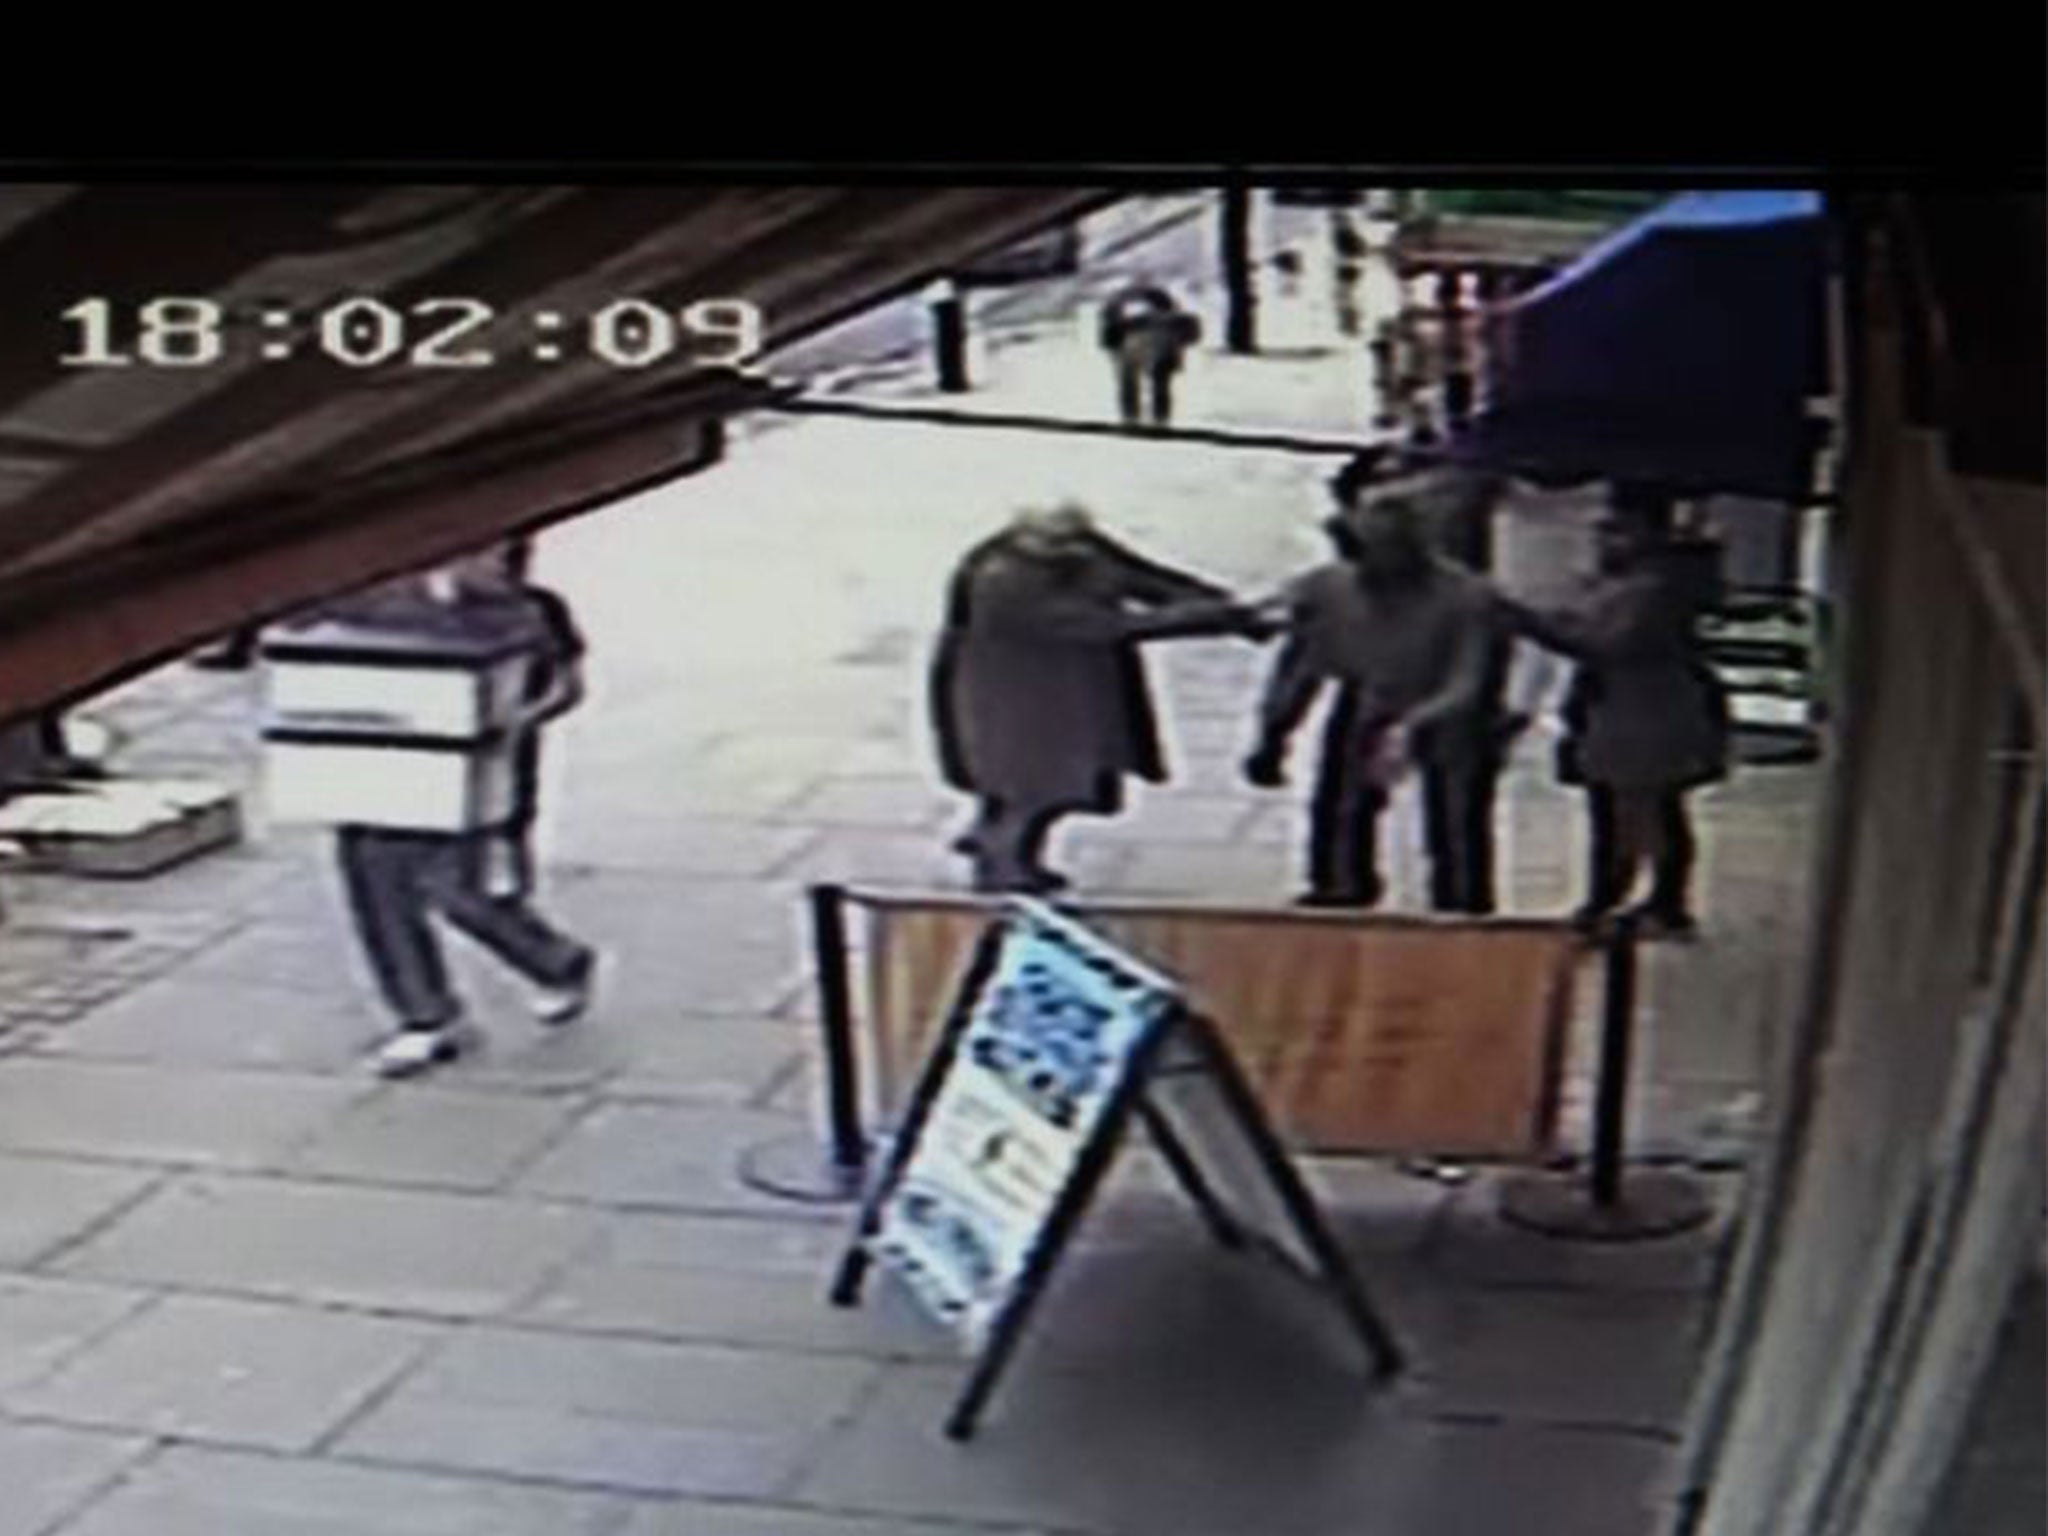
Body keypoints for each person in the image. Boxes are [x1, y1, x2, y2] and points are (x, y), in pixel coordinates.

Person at [331, 543, 597, 1076]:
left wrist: (514, 717)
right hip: (384, 765)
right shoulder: (392, 603)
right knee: (377, 886)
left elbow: (567, 687)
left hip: (478, 776)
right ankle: (427, 1017)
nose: (485, 565)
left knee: (461, 892)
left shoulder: (534, 611)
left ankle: (555, 961)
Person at [931, 504, 1271, 892]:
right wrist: (1204, 617)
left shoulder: (1082, 550)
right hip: (1013, 696)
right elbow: (1100, 625)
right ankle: (1005, 862)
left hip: (1068, 686)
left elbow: (1145, 579)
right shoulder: (1002, 579)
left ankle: (992, 838)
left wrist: (1224, 607)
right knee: (1034, 784)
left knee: (1033, 779)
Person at [1243, 481, 1507, 911]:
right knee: (1340, 812)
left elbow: (1470, 680)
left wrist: (1414, 724)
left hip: (1445, 712)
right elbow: (1297, 669)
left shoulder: (1468, 597)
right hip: (1364, 699)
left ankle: (1461, 905)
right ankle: (1339, 889)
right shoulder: (1326, 589)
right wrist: (1273, 736)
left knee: (1458, 825)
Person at [1499, 490, 1731, 940]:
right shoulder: (1629, 582)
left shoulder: (1653, 588)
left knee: (1642, 809)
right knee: (1629, 808)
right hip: (1625, 712)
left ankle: (1638, 899)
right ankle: (1633, 896)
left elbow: (1603, 639)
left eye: (1617, 530)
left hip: (1647, 715)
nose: (1605, 539)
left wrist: (1525, 621)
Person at [1099, 280, 1200, 429]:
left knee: (1153, 379)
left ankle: (1149, 419)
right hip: (1127, 339)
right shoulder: (1124, 328)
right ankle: (1140, 418)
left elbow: (1189, 333)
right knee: (1137, 379)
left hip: (1137, 339)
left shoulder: (1165, 327)